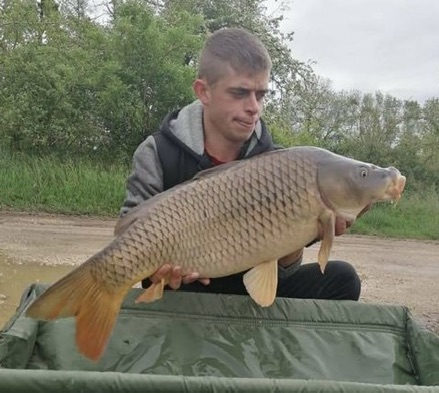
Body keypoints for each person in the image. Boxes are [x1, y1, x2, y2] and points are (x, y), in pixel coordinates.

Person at [119, 27, 361, 301]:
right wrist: (157, 273)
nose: (253, 107)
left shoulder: (277, 164)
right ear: (204, 91)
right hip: (188, 289)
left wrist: (303, 236)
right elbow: (128, 239)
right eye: (240, 93)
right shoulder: (158, 151)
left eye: (260, 95)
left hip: (248, 292)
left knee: (343, 279)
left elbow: (281, 276)